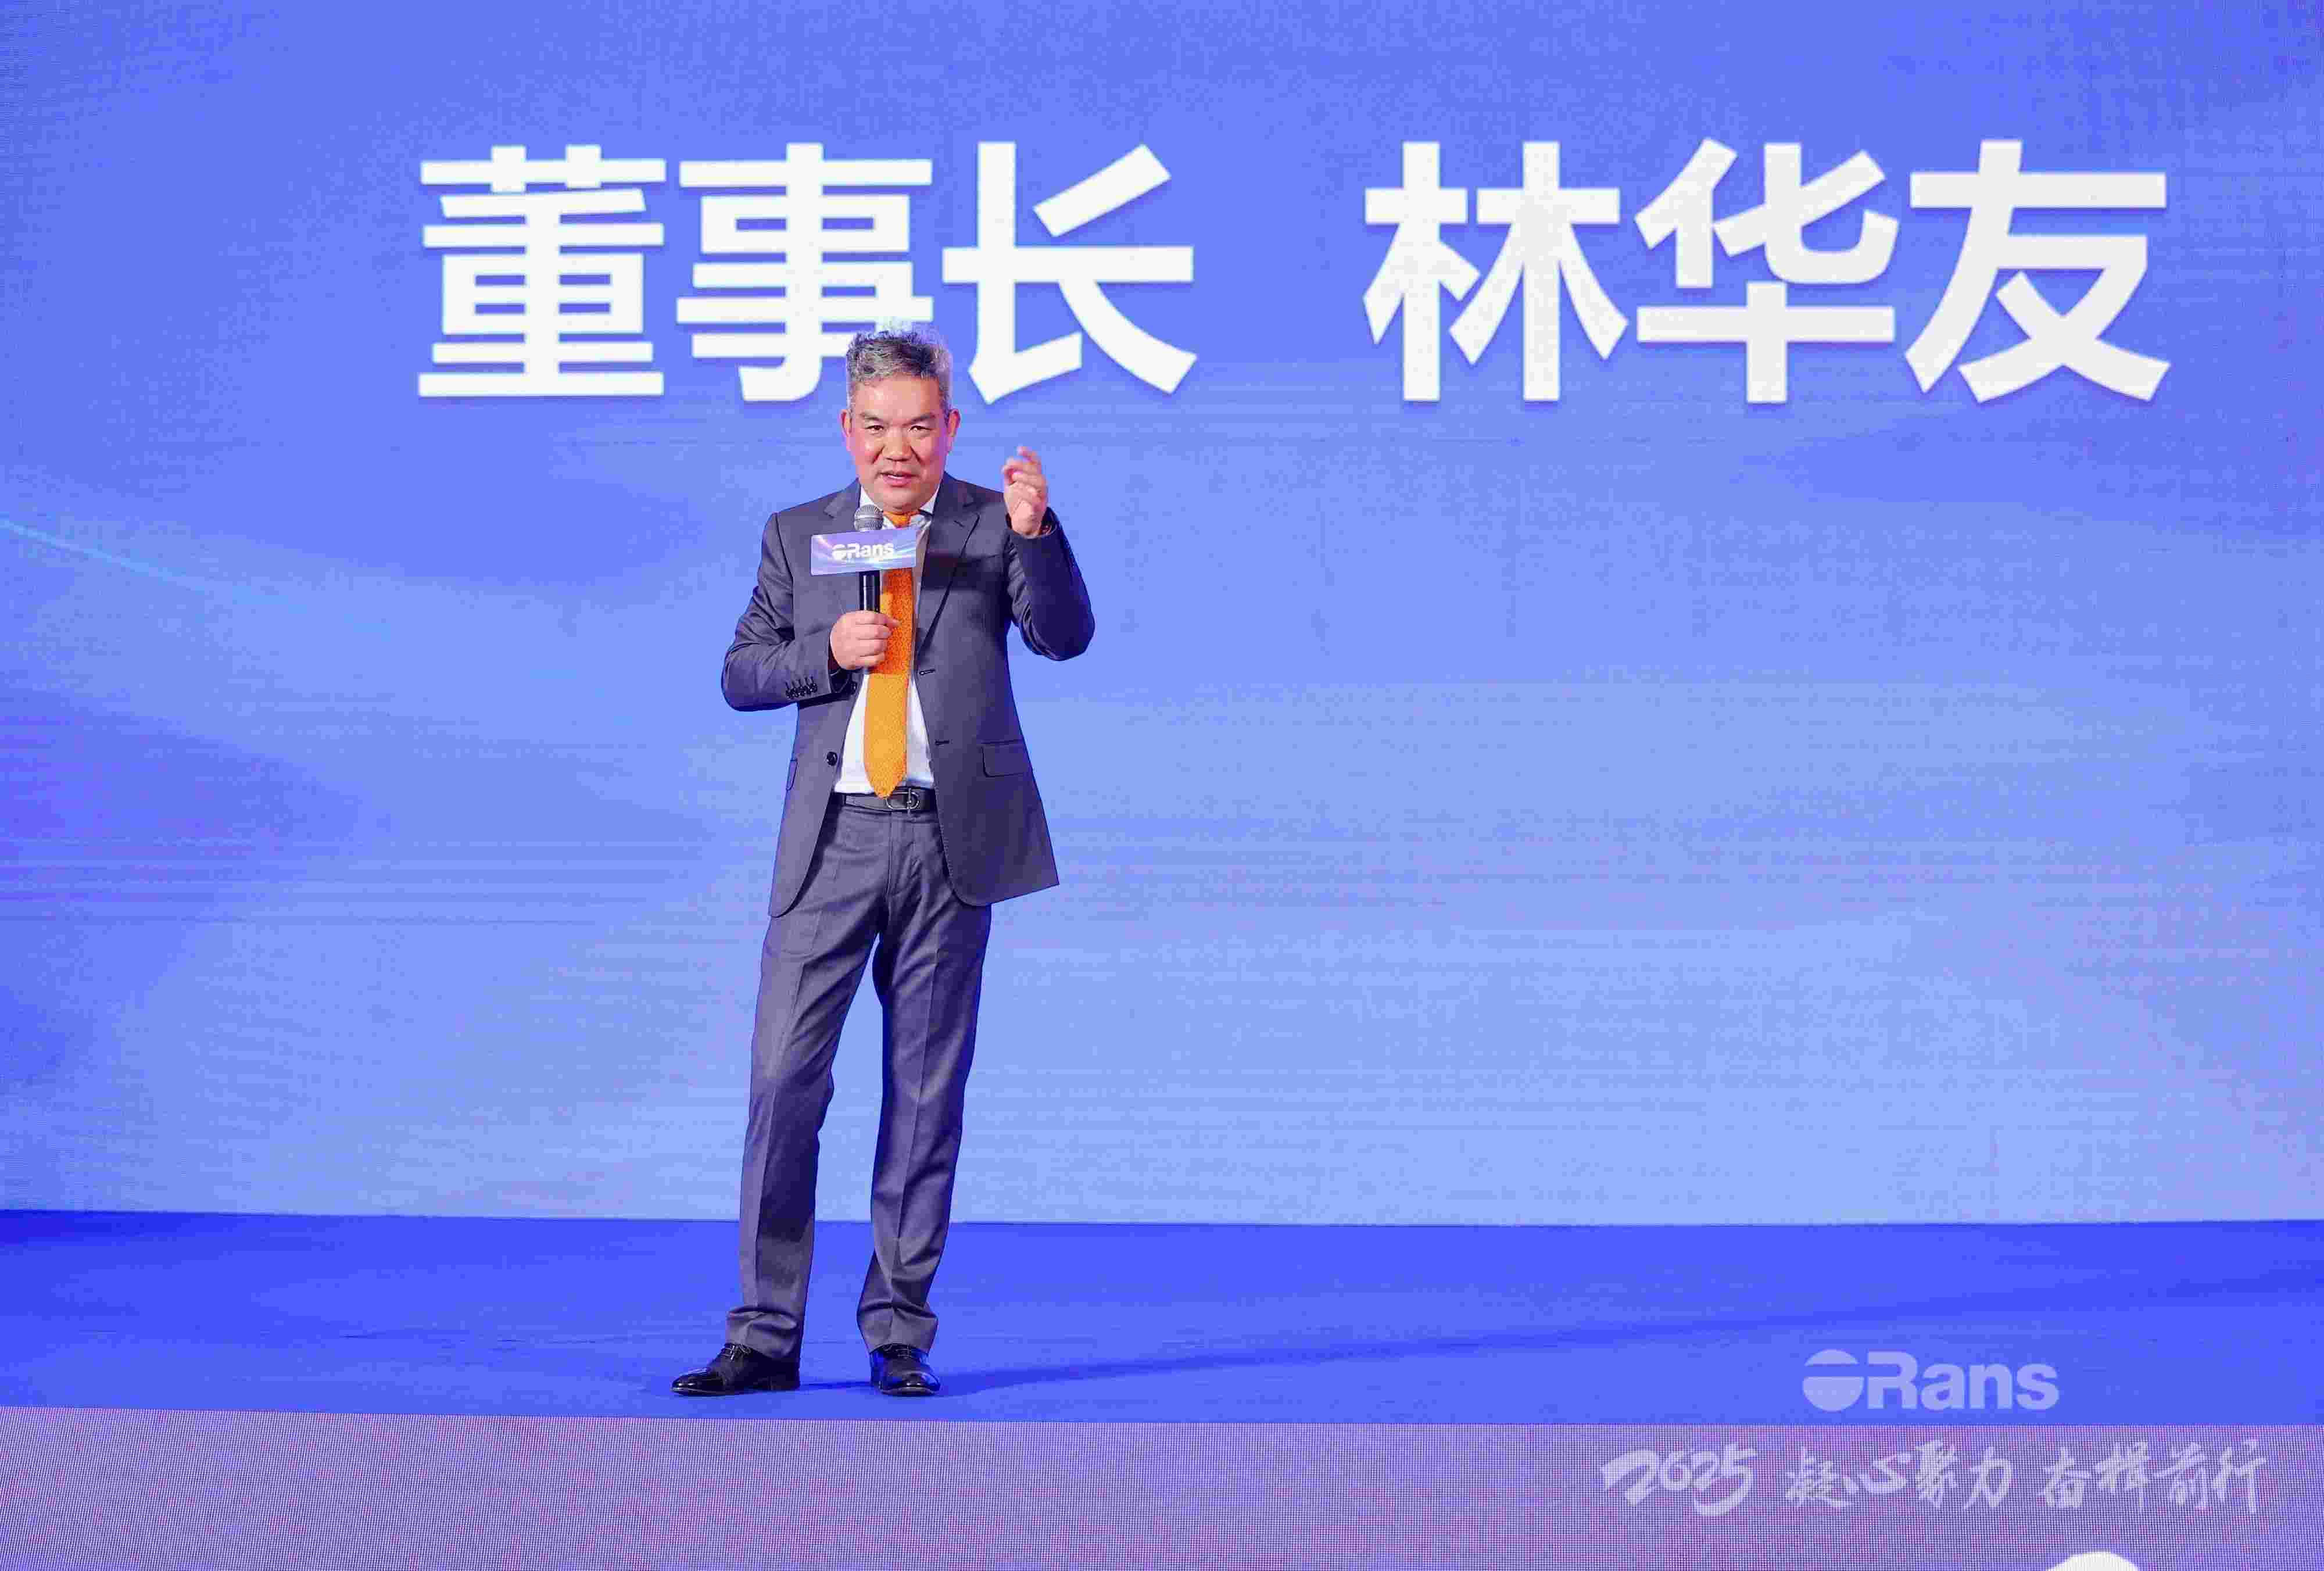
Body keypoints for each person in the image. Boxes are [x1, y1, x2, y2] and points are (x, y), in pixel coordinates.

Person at [673, 324, 1094, 1398]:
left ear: (949, 427)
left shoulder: (993, 523)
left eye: (917, 427)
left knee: (923, 1093)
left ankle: (898, 1331)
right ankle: (765, 1334)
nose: (895, 449)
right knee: (783, 1082)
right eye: (875, 428)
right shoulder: (799, 534)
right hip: (834, 840)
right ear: (846, 429)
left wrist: (1040, 537)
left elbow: (1063, 636)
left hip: (953, 839)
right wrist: (824, 655)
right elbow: (741, 671)